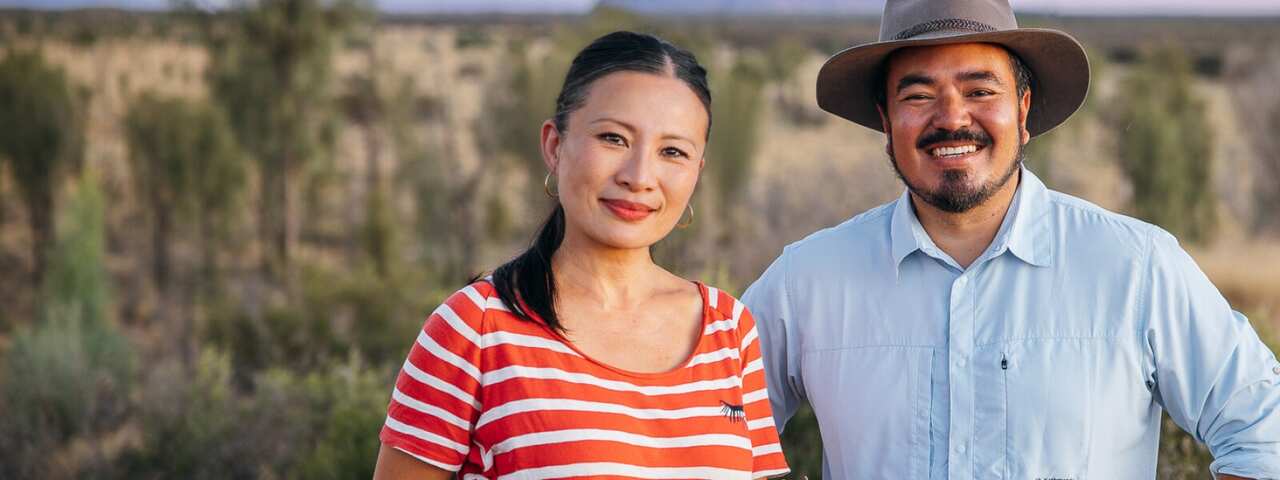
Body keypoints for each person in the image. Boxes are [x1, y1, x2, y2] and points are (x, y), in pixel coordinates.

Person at [742, 0, 1280, 478]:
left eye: (980, 90)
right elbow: (704, 432)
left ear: (1023, 112)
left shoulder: (1136, 268)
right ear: (886, 121)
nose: (952, 118)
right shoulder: (806, 281)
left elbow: (1264, 428)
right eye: (919, 95)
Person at [372, 31, 790, 479]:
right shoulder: (475, 328)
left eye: (673, 151)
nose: (640, 176)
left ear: (696, 173)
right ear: (555, 146)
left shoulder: (730, 329)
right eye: (614, 139)